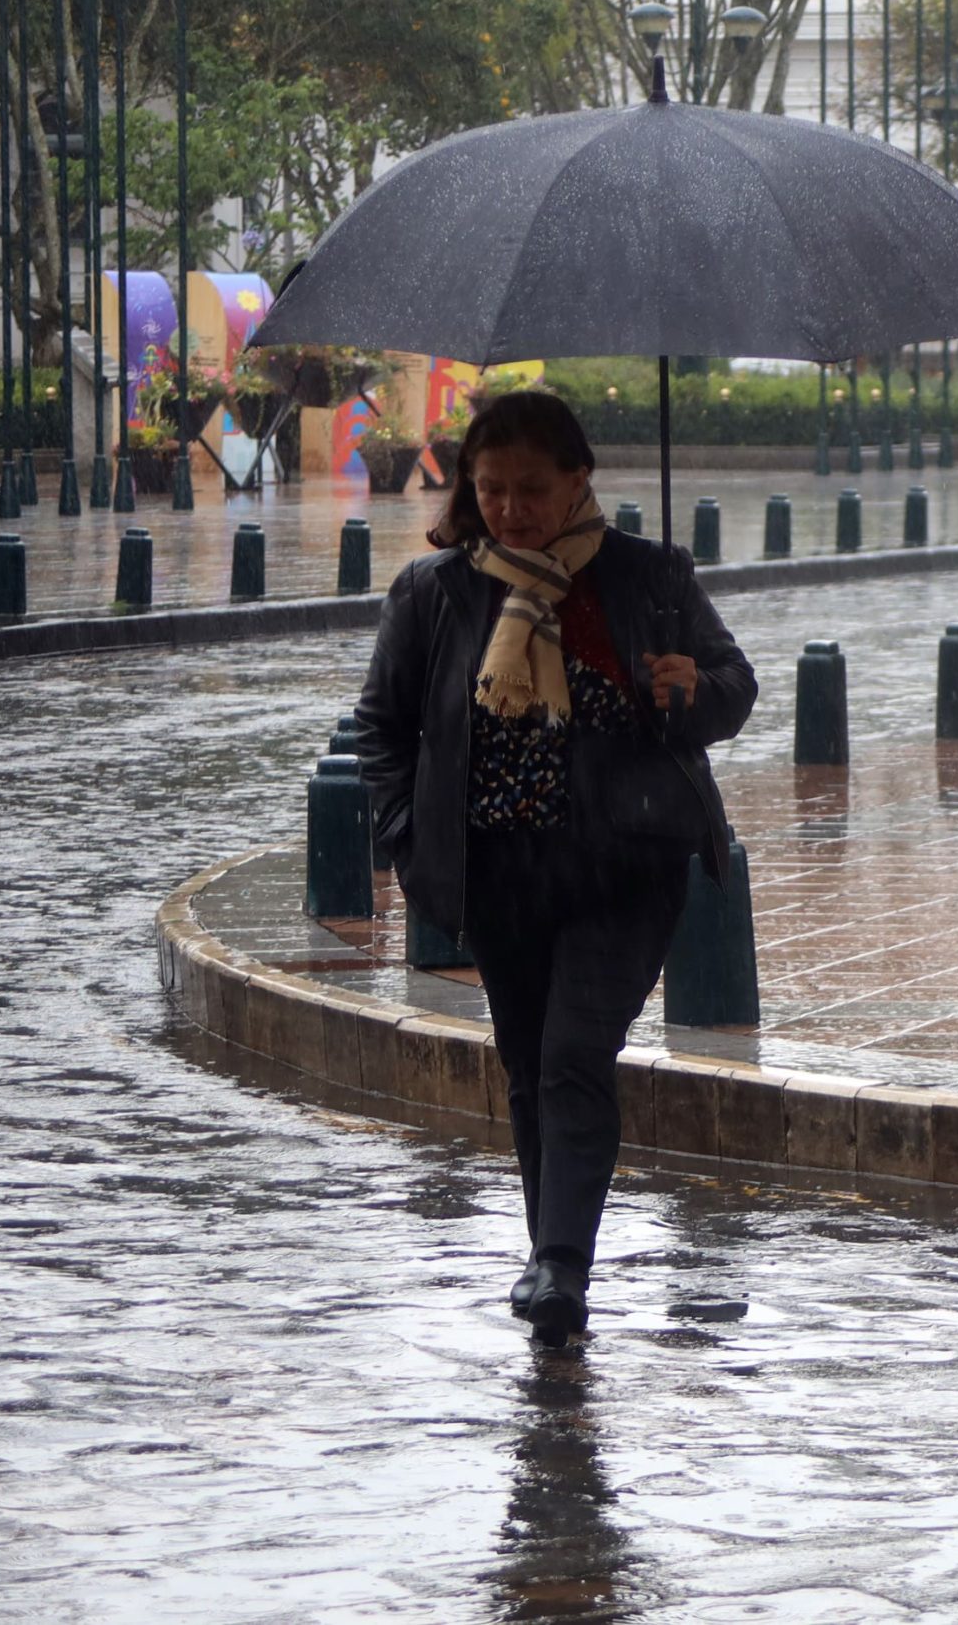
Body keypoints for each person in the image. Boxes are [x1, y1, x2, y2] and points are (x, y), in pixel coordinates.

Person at [352, 391, 756, 1347]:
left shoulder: (648, 578)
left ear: (579, 479)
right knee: (530, 1065)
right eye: (489, 488)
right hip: (502, 873)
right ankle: (550, 1252)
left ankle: (563, 1266)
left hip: (624, 866)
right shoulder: (437, 592)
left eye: (531, 488)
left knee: (575, 1051)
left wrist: (689, 689)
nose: (509, 508)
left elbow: (733, 687)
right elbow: (382, 727)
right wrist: (411, 835)